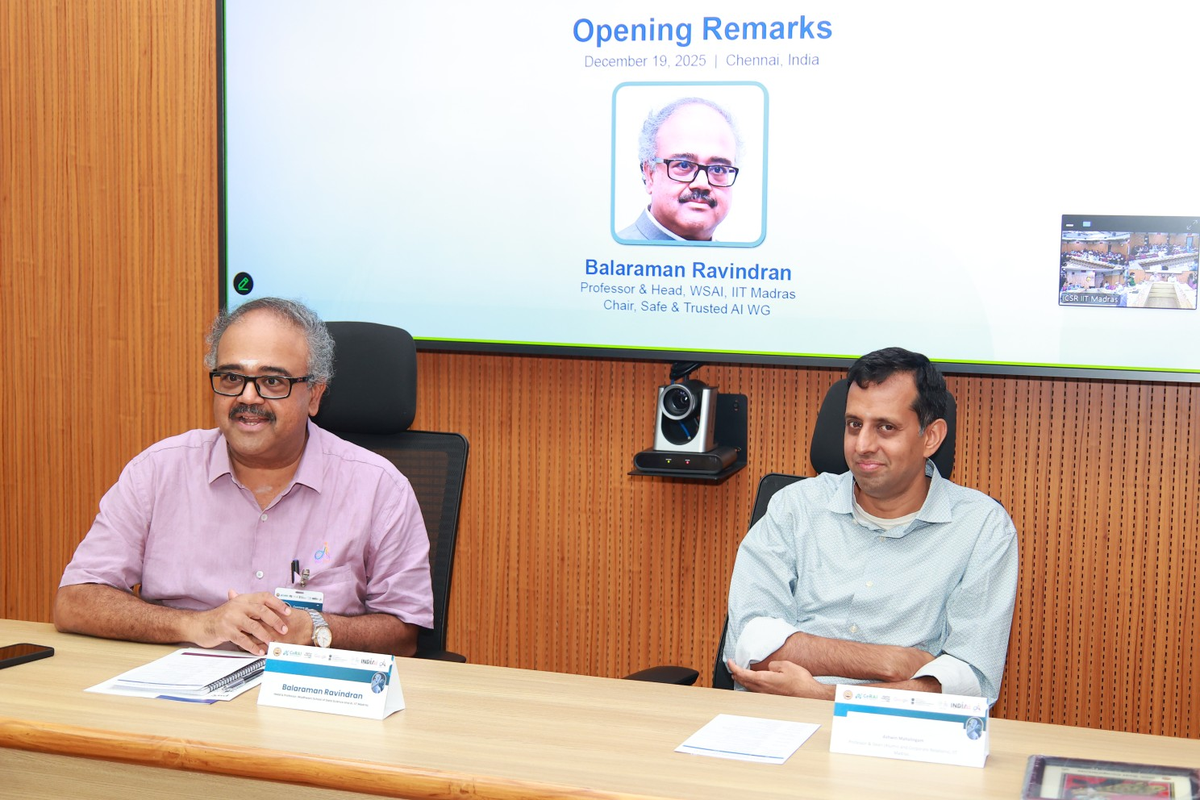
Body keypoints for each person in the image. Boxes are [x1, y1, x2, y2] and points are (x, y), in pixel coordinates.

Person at [55, 298, 433, 657]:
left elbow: (403, 634)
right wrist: (196, 625)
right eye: (232, 377)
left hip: (312, 703)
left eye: (272, 381)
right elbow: (75, 602)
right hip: (178, 705)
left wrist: (314, 628)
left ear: (314, 395)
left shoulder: (380, 487)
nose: (248, 397)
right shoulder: (157, 471)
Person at [724, 347, 1018, 702]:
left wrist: (825, 694)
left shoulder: (981, 528)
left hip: (904, 737)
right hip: (781, 723)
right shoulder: (795, 506)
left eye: (886, 427)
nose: (862, 445)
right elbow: (749, 643)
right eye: (854, 425)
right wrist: (892, 661)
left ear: (931, 437)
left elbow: (967, 682)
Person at [618, 97, 741, 242]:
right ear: (650, 174)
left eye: (718, 169)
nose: (702, 184)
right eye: (683, 165)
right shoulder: (608, 258)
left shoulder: (739, 262)